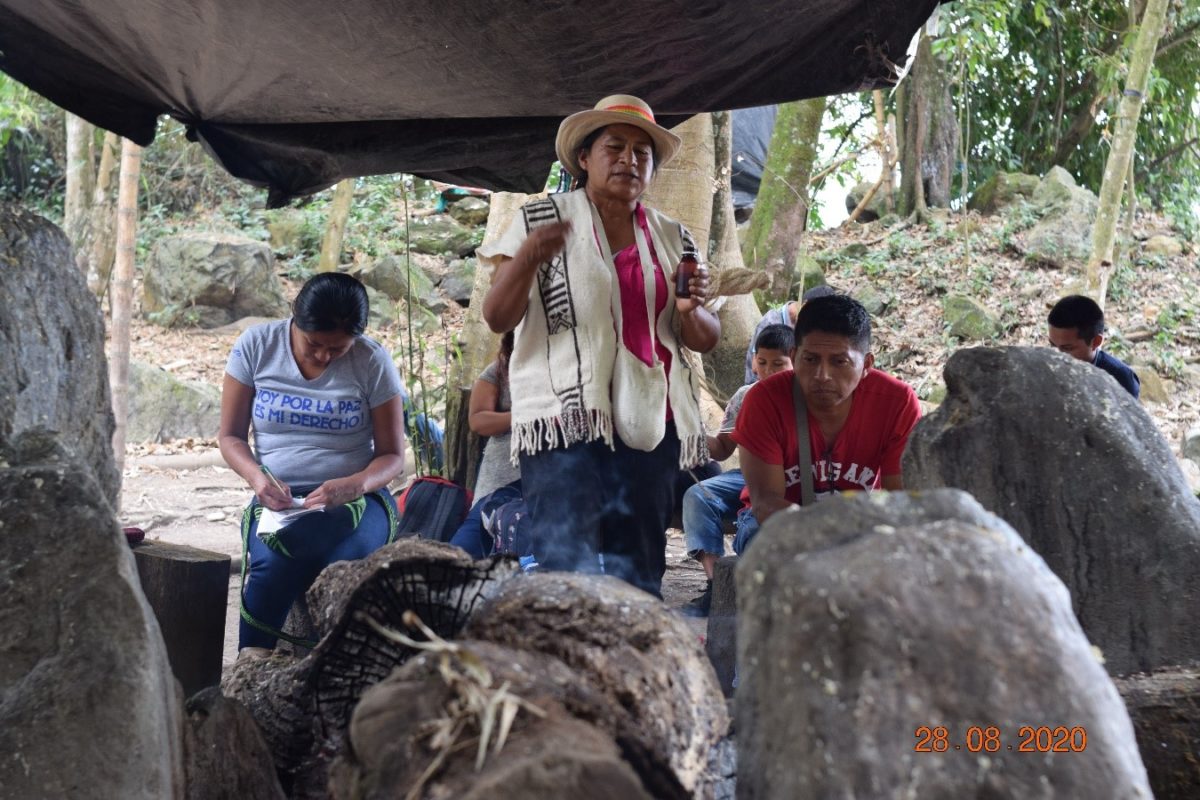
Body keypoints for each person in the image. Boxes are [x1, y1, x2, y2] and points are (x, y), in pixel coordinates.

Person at [479, 94, 721, 597]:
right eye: (615, 146)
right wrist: (526, 260)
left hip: (652, 422)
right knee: (566, 566)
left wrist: (689, 309)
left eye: (642, 152)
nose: (629, 159)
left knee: (640, 565)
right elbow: (498, 316)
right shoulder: (539, 220)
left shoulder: (674, 238)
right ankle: (572, 665)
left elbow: (704, 337)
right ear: (584, 158)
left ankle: (637, 667)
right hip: (565, 423)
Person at [218, 272, 406, 658]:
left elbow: (392, 456)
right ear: (294, 319)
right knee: (274, 561)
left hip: (358, 499)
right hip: (280, 501)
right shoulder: (257, 345)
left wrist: (353, 485)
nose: (323, 356)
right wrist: (258, 478)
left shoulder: (371, 360)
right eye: (314, 344)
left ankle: (340, 680)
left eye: (337, 349)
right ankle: (249, 671)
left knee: (343, 567)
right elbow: (230, 437)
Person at [733, 294, 921, 552]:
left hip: (860, 524)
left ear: (866, 364)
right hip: (774, 523)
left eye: (839, 362)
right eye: (810, 360)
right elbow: (766, 503)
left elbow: (899, 500)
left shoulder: (897, 402)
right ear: (794, 355)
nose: (822, 375)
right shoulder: (763, 400)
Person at [681, 323, 795, 617]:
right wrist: (686, 434)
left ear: (796, 359)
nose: (768, 371)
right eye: (762, 362)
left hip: (788, 480)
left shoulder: (805, 396)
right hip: (747, 477)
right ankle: (716, 585)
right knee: (698, 495)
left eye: (779, 364)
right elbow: (722, 448)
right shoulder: (746, 396)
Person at [449, 332, 523, 557]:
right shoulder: (499, 370)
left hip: (548, 484)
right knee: (461, 554)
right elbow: (478, 420)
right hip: (497, 485)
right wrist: (528, 413)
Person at [1047, 294, 1140, 398]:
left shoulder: (1121, 379)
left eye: (1067, 348)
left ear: (1096, 342)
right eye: (1052, 345)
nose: (1056, 355)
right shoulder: (1044, 369)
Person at [743, 284, 837, 384]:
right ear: (804, 306)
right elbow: (755, 367)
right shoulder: (771, 322)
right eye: (818, 317)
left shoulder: (807, 326)